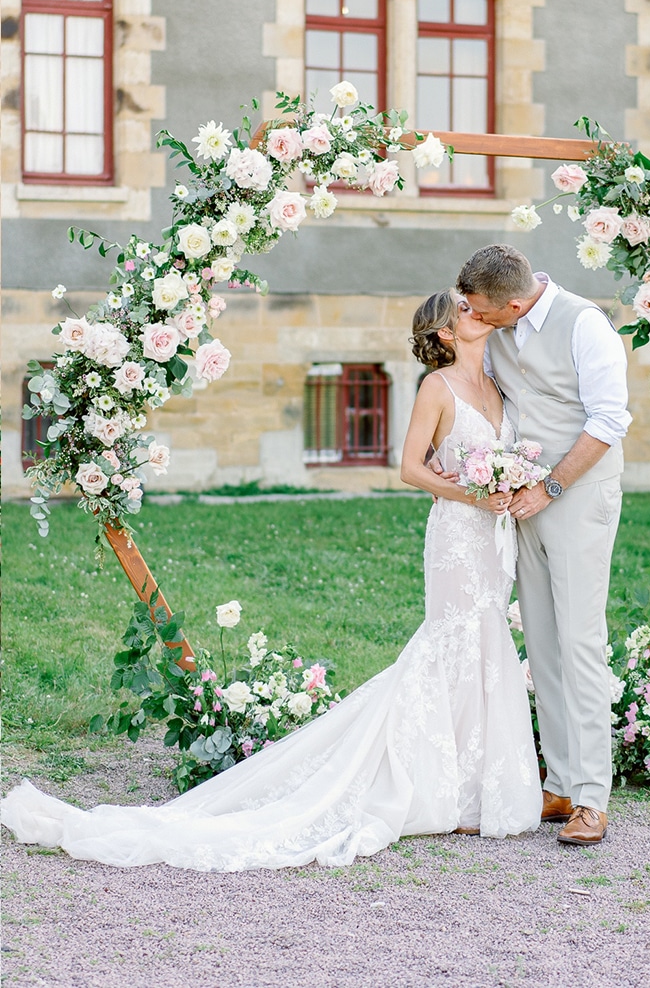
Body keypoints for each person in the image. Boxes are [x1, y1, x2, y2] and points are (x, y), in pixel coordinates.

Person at [1, 291, 541, 871]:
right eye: (464, 311)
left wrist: (510, 485)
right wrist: (475, 493)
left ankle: (477, 788)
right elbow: (410, 468)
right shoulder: (437, 388)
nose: (476, 313)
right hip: (459, 534)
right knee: (453, 640)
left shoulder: (500, 379)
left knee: (487, 640)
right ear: (444, 334)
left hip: (494, 537)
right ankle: (441, 790)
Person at [455, 244, 630, 847]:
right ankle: (557, 780)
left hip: (577, 496)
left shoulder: (586, 325)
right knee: (543, 638)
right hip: (522, 501)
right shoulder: (497, 323)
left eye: (481, 311)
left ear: (513, 302)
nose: (474, 318)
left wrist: (552, 486)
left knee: (582, 640)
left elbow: (610, 420)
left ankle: (592, 798)